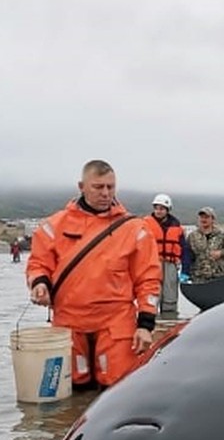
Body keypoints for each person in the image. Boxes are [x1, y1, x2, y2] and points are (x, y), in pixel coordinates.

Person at [26, 160, 161, 389]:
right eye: (98, 187)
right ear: (82, 186)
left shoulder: (134, 228)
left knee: (120, 389)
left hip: (116, 321)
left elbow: (148, 278)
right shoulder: (54, 225)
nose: (105, 193)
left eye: (110, 187)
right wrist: (40, 284)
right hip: (69, 321)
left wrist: (146, 324)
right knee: (67, 391)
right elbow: (39, 263)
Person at [144, 193, 187, 319]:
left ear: (167, 210)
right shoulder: (145, 224)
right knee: (151, 295)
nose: (158, 211)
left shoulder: (177, 227)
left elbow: (184, 249)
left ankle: (170, 320)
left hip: (170, 265)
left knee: (170, 296)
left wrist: (185, 271)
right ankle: (149, 323)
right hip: (151, 264)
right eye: (156, 208)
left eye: (162, 208)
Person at [186, 206, 224, 283]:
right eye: (201, 217)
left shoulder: (221, 235)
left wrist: (221, 253)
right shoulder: (192, 236)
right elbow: (187, 255)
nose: (203, 219)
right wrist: (185, 272)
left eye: (206, 217)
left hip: (218, 277)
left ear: (213, 219)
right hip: (198, 278)